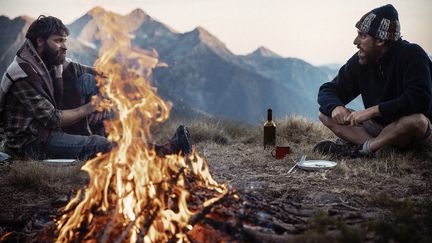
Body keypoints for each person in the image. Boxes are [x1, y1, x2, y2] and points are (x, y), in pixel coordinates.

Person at [0, 15, 191, 160]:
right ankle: (162, 152)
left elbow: (95, 74)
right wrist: (90, 107)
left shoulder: (50, 61)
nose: (64, 46)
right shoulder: (23, 74)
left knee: (89, 81)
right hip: (31, 141)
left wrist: (105, 94)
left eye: (64, 41)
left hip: (47, 127)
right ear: (40, 42)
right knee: (96, 144)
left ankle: (102, 130)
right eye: (58, 41)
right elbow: (52, 119)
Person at [314, 4, 432, 158]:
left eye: (362, 35)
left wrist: (371, 111)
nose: (355, 41)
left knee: (416, 121)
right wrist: (336, 107)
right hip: (379, 128)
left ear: (380, 40)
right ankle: (376, 149)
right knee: (325, 114)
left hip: (412, 133)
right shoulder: (362, 60)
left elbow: (420, 99)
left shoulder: (412, 55)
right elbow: (328, 89)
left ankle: (363, 149)